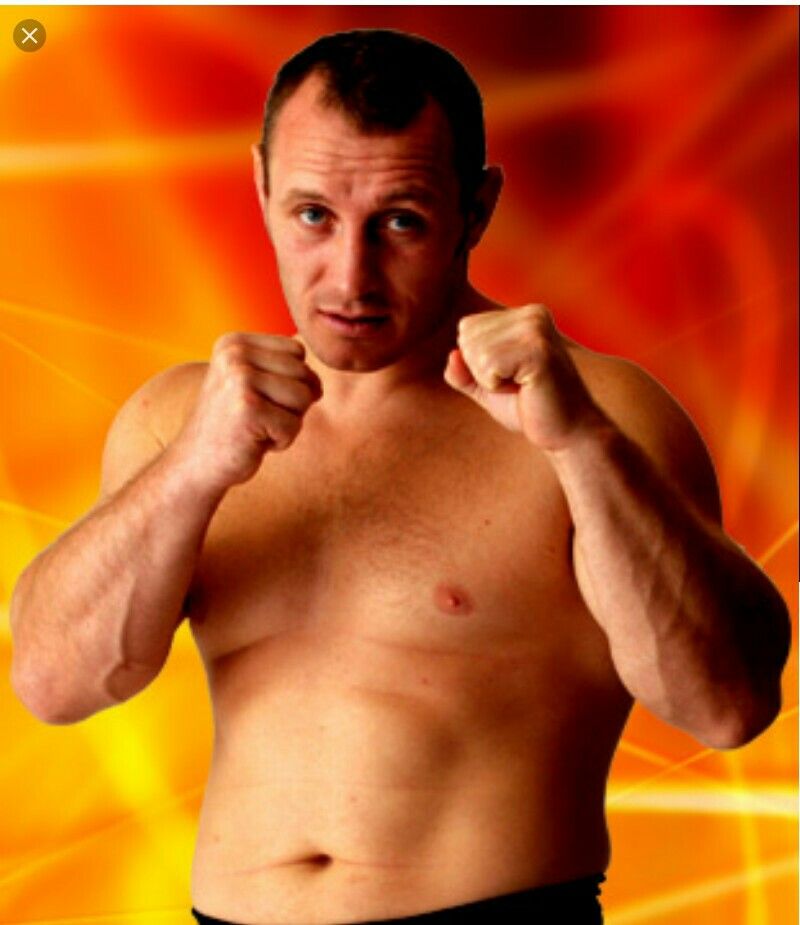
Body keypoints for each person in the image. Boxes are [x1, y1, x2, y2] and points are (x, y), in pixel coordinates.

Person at [9, 29, 790, 925]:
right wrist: (194, 467)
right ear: (262, 186)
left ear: (476, 209)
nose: (351, 277)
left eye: (401, 221)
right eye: (313, 215)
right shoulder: (183, 417)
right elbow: (55, 683)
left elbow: (726, 706)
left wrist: (581, 446)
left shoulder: (597, 412)